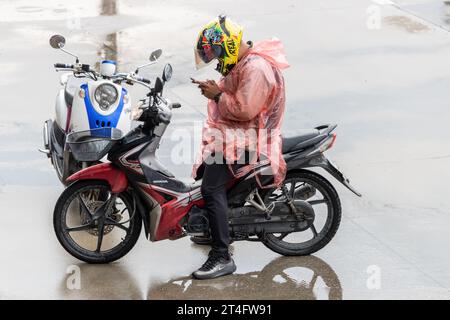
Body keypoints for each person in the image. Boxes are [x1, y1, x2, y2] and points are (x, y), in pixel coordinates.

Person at [191, 15, 289, 279]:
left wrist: (218, 95)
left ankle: (221, 255)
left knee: (210, 187)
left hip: (251, 139)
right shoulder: (244, 62)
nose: (216, 61)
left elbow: (244, 109)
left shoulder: (255, 68)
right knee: (208, 174)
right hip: (240, 133)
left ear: (229, 46)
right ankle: (216, 226)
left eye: (217, 54)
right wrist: (214, 90)